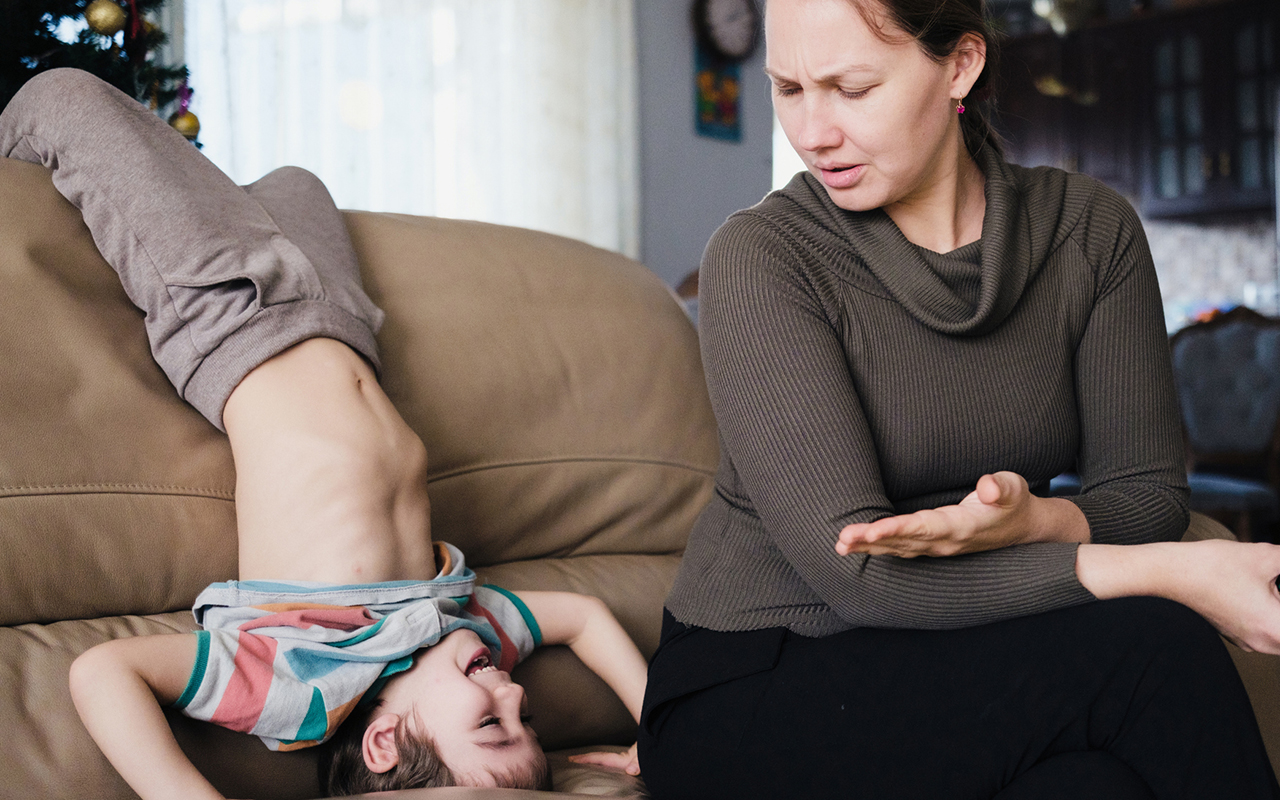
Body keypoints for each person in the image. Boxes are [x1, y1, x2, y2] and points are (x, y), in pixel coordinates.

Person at [637, 1, 1280, 798]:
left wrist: (1042, 522)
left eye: (852, 88)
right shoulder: (765, 257)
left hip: (969, 648)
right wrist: (1171, 575)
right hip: (759, 673)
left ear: (960, 65)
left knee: (1091, 785)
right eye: (788, 88)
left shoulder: (1090, 234)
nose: (812, 132)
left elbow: (1147, 491)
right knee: (1158, 646)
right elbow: (860, 576)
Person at [0, 69, 645, 800]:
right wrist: (660, 732)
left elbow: (102, 671)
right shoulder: (470, 633)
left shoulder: (306, 690)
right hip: (341, 321)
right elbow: (585, 615)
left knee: (60, 97)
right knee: (298, 183)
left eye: (493, 725)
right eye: (526, 719)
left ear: (382, 741)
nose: (513, 696)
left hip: (229, 317)